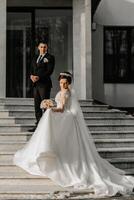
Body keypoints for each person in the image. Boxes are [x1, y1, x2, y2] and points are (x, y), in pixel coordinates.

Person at [14, 72, 134, 198]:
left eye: (65, 83)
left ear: (69, 83)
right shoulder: (61, 93)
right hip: (66, 115)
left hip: (68, 117)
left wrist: (50, 108)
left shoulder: (65, 93)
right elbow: (60, 107)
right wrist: (50, 105)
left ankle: (50, 150)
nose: (63, 85)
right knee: (50, 119)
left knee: (50, 117)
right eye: (61, 83)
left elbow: (61, 109)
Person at [29, 42, 55, 132]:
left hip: (44, 84)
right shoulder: (35, 57)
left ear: (46, 48)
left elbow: (49, 71)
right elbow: (32, 69)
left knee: (45, 105)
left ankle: (45, 125)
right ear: (38, 48)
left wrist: (39, 77)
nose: (43, 48)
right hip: (35, 85)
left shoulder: (50, 58)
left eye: (45, 47)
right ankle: (38, 125)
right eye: (41, 47)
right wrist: (31, 76)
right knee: (37, 105)